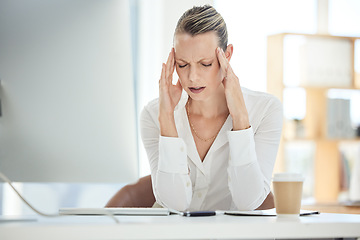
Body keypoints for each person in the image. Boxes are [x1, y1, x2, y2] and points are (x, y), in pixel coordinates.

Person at [140, 5, 283, 211]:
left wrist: (240, 118)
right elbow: (174, 204)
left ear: (227, 54)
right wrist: (167, 118)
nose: (192, 77)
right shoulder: (153, 115)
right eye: (182, 64)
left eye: (205, 64)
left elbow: (249, 201)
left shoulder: (266, 110)